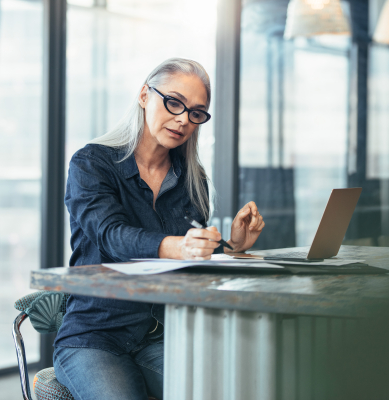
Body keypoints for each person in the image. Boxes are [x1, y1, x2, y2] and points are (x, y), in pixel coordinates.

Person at [53, 58, 265, 400]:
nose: (183, 119)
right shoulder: (92, 163)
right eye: (174, 102)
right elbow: (111, 235)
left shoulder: (191, 180)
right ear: (143, 95)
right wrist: (179, 246)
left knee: (227, 390)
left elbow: (188, 260)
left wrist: (231, 246)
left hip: (163, 336)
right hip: (95, 337)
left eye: (196, 113)